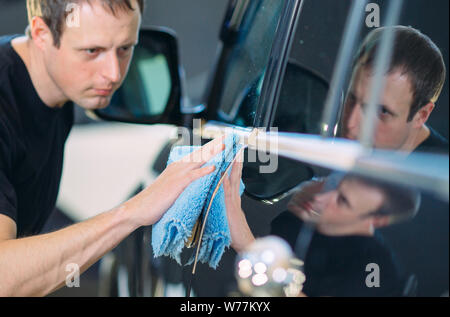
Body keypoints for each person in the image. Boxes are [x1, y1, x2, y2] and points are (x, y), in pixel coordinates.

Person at [0, 0, 225, 296]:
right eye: (92, 51)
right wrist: (133, 212)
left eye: (125, 48)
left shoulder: (59, 89)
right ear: (41, 33)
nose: (114, 74)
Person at [224, 160, 420, 296]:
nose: (320, 197)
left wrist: (247, 245)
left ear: (377, 220)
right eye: (333, 182)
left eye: (342, 200)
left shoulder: (375, 271)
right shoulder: (296, 220)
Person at [340, 25, 448, 153]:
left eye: (382, 111)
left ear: (421, 115)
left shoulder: (441, 171)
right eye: (352, 98)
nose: (350, 124)